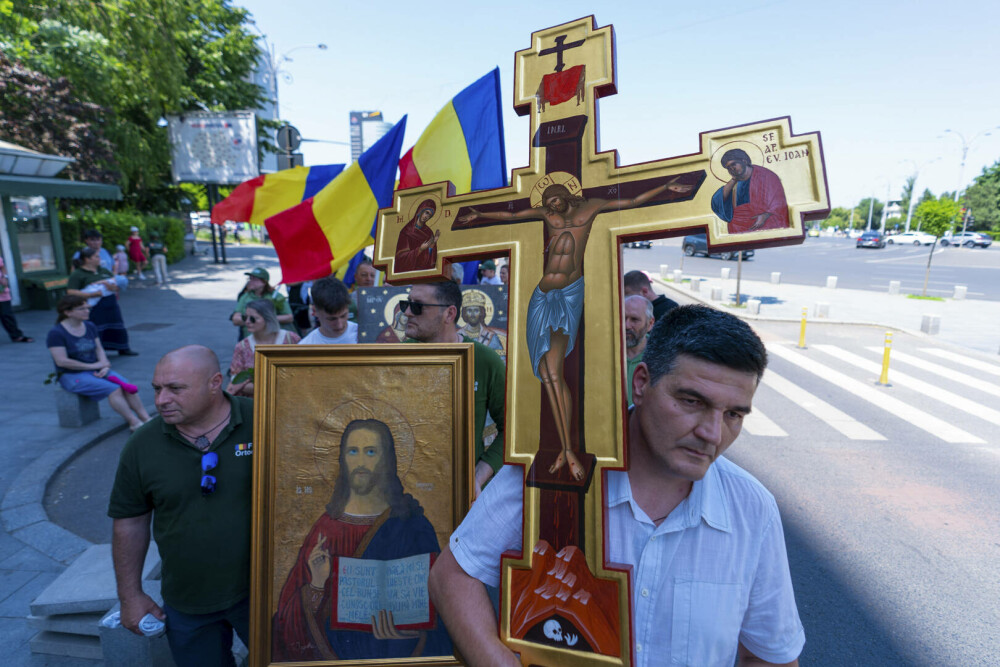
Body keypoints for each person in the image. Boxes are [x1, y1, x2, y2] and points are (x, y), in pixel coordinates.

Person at [428, 305, 805, 666]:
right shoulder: (553, 470)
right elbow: (453, 576)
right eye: (692, 401)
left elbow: (768, 654)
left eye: (734, 414)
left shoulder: (752, 509)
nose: (712, 433)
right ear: (641, 384)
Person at [458, 177, 692, 480]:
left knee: (555, 372)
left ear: (570, 195)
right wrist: (478, 215)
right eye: (550, 198)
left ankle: (567, 448)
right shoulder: (548, 216)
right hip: (541, 295)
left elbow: (631, 202)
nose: (553, 203)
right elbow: (513, 216)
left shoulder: (589, 210)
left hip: (566, 296)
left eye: (558, 197)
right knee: (543, 372)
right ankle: (561, 446)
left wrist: (664, 188)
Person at [108, 345, 254, 667]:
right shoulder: (141, 445)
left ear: (215, 383)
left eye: (175, 389)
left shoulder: (263, 419)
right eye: (157, 389)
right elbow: (129, 522)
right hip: (188, 600)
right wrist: (130, 596)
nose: (161, 400)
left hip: (266, 593)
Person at [272, 419, 451, 661]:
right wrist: (316, 584)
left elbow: (442, 605)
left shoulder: (412, 525)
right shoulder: (326, 529)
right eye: (353, 451)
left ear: (386, 459)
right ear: (342, 459)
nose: (361, 462)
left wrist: (410, 633)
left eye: (371, 452)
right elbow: (285, 618)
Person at [399, 281, 506, 498]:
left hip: (461, 496)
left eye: (418, 306)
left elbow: (513, 430)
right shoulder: (397, 358)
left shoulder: (484, 360)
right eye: (406, 304)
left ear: (449, 314)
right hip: (406, 492)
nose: (408, 313)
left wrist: (478, 476)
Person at [47, 295, 149, 429]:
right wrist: (93, 366)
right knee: (114, 389)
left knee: (126, 385)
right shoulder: (56, 333)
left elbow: (99, 349)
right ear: (67, 312)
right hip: (71, 375)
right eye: (81, 309)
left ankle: (146, 418)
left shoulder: (89, 326)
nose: (87, 311)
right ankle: (133, 422)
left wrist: (104, 365)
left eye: (87, 308)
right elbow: (62, 361)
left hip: (96, 369)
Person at [66, 246, 137, 356]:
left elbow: (116, 285)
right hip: (94, 307)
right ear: (87, 259)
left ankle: (123, 348)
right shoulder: (78, 274)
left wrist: (112, 287)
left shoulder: (103, 271)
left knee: (117, 325)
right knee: (96, 328)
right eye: (96, 256)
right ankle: (96, 351)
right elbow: (71, 291)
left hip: (111, 305)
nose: (100, 258)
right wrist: (91, 294)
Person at [226, 299, 300, 397]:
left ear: (268, 319)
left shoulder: (291, 339)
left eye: (253, 318)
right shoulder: (242, 347)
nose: (247, 322)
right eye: (245, 317)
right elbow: (236, 382)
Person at [710, 148, 789, 233]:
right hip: (737, 227)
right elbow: (717, 202)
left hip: (763, 224)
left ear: (744, 161)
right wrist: (733, 180)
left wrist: (765, 215)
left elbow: (778, 203)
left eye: (734, 164)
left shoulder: (766, 176)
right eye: (728, 168)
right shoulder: (734, 182)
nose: (731, 169)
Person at [230, 267, 294, 340]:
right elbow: (235, 319)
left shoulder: (276, 296)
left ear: (264, 282)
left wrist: (266, 319)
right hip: (250, 338)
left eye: (255, 279)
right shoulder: (245, 297)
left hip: (272, 338)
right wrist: (254, 320)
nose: (251, 281)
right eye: (250, 279)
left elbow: (289, 317)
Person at [299, 276, 358, 345]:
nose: (340, 325)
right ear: (314, 311)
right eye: (331, 319)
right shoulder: (306, 346)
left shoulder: (365, 336)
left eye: (343, 316)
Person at [456, 290, 507, 361]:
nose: (473, 314)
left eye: (476, 310)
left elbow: (501, 361)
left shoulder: (491, 336)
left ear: (481, 313)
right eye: (469, 311)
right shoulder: (458, 335)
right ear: (465, 313)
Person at [623, 294, 654, 406]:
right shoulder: (605, 352)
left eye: (634, 320)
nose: (626, 326)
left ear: (650, 324)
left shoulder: (662, 355)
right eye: (623, 318)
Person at [395, 199, 440, 272]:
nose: (426, 216)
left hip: (422, 270)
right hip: (408, 271)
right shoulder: (406, 231)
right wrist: (420, 249)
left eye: (429, 215)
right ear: (420, 211)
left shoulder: (429, 233)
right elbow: (400, 257)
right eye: (426, 212)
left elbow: (431, 261)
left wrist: (432, 244)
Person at [0, 255, 32, 343]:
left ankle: (16, 336)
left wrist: (4, 277)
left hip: (1, 292)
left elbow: (2, 267)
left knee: (7, 315)